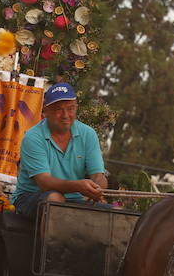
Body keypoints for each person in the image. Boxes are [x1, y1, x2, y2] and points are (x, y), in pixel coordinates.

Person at [14, 82, 108, 218]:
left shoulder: (88, 134)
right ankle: (47, 240)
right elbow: (44, 182)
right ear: (46, 111)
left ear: (76, 108)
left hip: (74, 199)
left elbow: (99, 176)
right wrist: (78, 187)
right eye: (58, 109)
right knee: (55, 200)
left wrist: (97, 190)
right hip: (30, 197)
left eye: (70, 108)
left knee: (115, 213)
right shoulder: (33, 137)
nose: (65, 115)